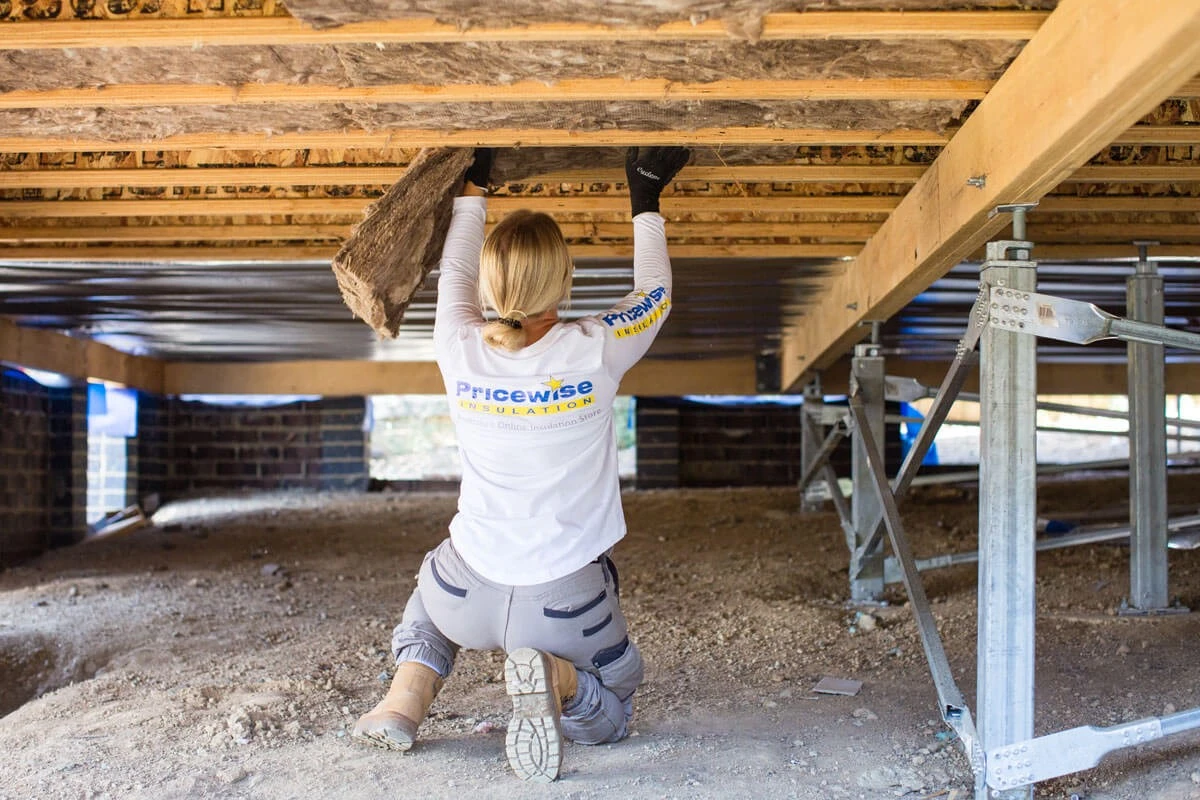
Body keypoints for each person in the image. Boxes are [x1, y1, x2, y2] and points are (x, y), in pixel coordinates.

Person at [352, 145, 690, 783]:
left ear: (488, 284)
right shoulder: (597, 347)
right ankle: (559, 680)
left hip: (464, 586)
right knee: (616, 699)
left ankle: (403, 702)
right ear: (562, 284)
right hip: (564, 602)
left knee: (429, 599)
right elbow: (654, 294)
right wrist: (644, 194)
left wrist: (474, 186)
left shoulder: (456, 344)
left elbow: (454, 268)